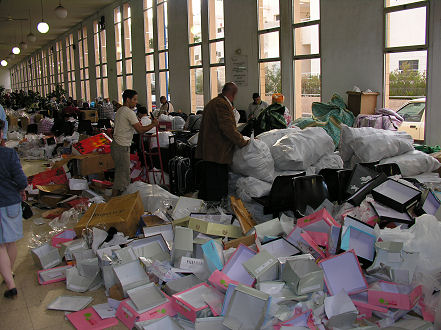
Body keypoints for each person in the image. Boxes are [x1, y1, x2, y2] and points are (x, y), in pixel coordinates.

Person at [196, 82, 249, 202]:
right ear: (234, 94)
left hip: (210, 151)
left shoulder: (213, 102)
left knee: (208, 184)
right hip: (217, 153)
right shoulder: (222, 104)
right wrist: (243, 142)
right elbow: (228, 128)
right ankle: (215, 210)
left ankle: (206, 210)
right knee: (217, 186)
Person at [111, 90, 159, 197]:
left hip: (117, 145)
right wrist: (153, 124)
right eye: (134, 100)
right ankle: (115, 202)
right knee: (122, 177)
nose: (136, 102)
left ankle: (116, 201)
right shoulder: (128, 112)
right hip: (121, 146)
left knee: (121, 174)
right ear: (128, 100)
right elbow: (140, 130)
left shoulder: (120, 110)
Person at [0, 119, 27, 299]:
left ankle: (10, 283)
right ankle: (9, 274)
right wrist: (22, 191)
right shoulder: (8, 155)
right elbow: (21, 180)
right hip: (10, 202)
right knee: (10, 242)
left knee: (0, 245)